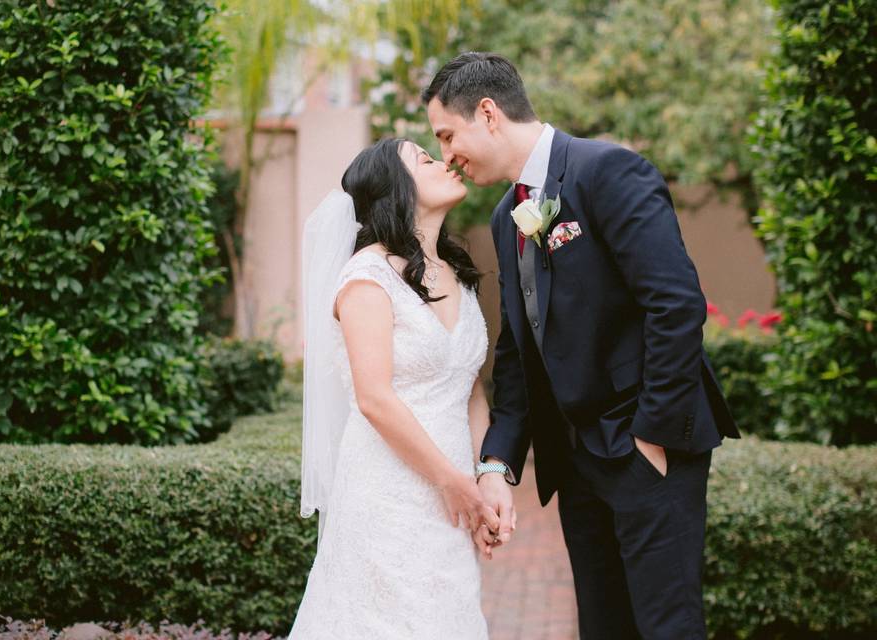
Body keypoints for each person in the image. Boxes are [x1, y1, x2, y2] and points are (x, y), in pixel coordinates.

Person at [422, 52, 741, 639]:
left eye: (447, 134)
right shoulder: (506, 216)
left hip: (647, 448)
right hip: (578, 462)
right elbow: (518, 355)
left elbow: (675, 304)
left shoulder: (608, 170)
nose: (448, 155)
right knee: (602, 627)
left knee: (666, 627)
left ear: (488, 113)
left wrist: (652, 434)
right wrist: (497, 463)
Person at [288, 137, 503, 639]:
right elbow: (375, 400)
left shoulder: (458, 274)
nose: (444, 160)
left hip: (452, 500)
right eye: (425, 159)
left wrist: (487, 477)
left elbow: (469, 390)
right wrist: (454, 483)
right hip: (388, 494)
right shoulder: (366, 279)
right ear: (396, 189)